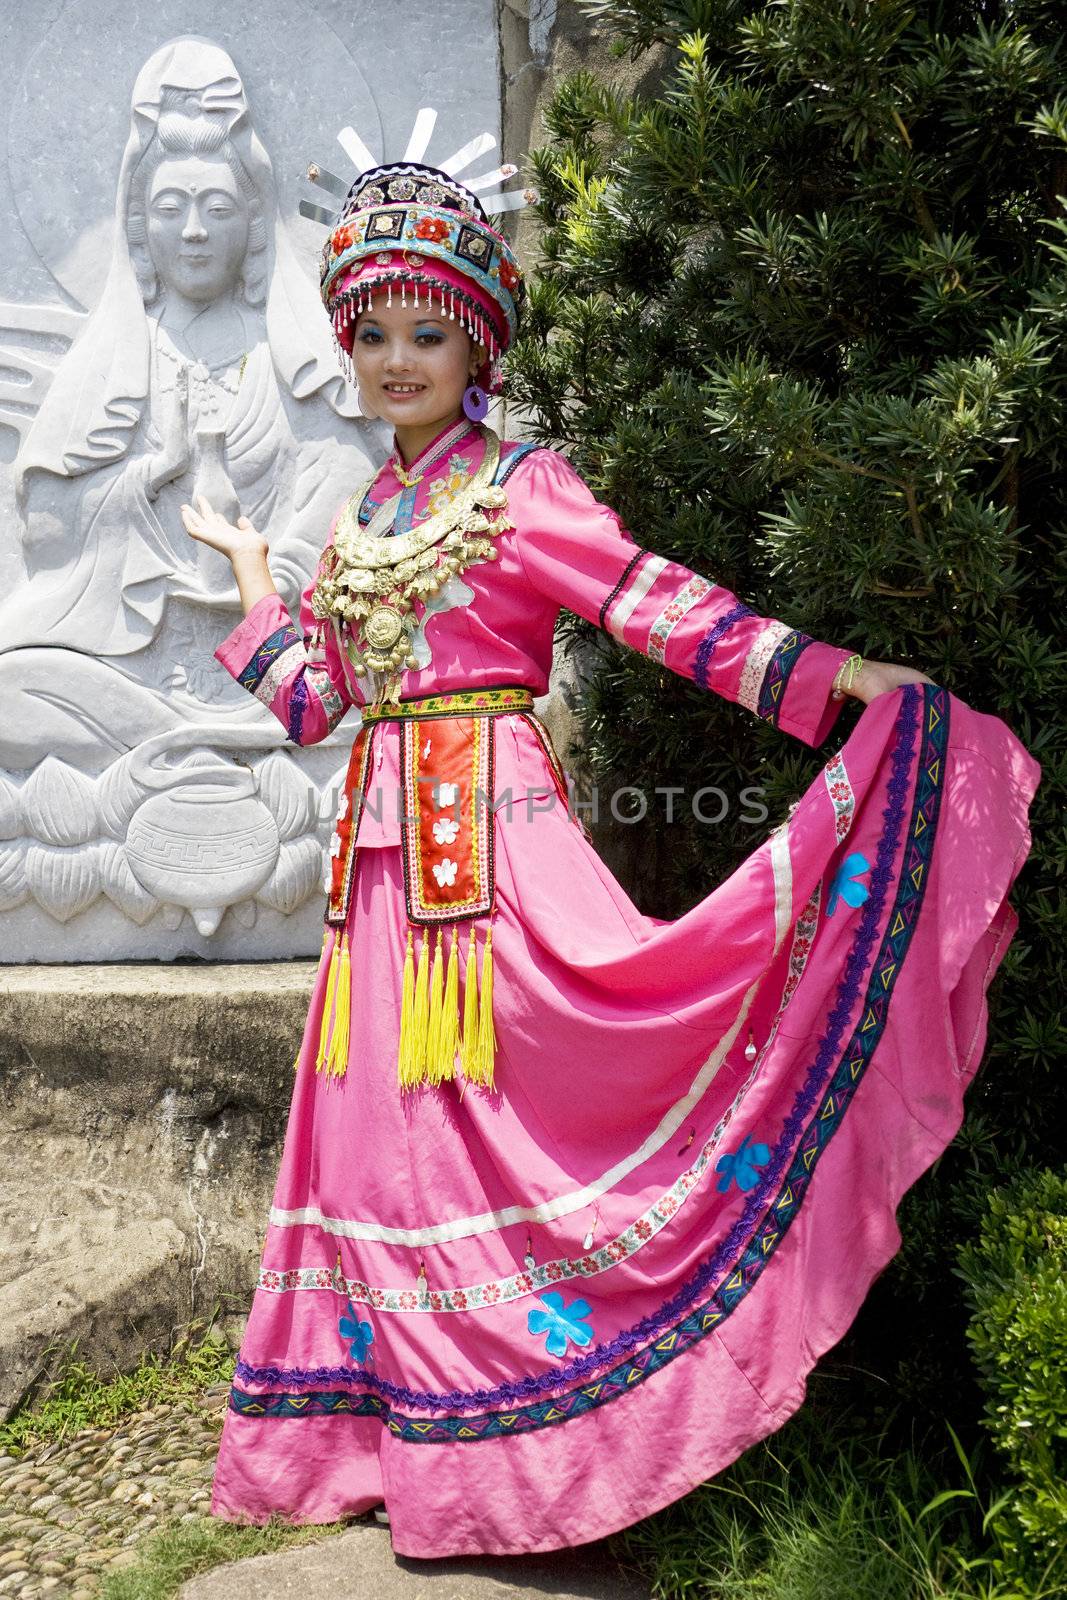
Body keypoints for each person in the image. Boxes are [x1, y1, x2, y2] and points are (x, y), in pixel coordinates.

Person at [180, 153, 1040, 1559]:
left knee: (545, 1104)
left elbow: (652, 606)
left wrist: (824, 680)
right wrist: (264, 596)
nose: (400, 361)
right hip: (381, 875)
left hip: (493, 851)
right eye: (376, 333)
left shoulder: (521, 492)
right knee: (395, 1159)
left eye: (430, 332)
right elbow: (323, 707)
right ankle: (403, 1442)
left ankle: (537, 1452)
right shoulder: (361, 519)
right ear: (350, 346)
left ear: (477, 346)